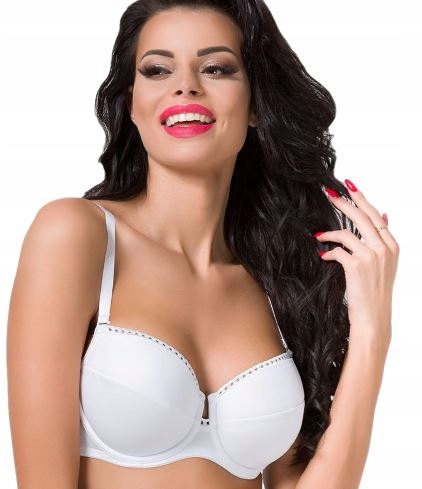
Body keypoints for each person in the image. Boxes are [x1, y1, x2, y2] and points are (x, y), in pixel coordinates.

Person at [6, 1, 399, 488]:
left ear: (256, 106)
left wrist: (373, 329)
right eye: (157, 70)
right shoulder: (76, 235)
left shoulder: (280, 282)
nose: (185, 85)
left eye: (216, 68)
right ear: (132, 104)